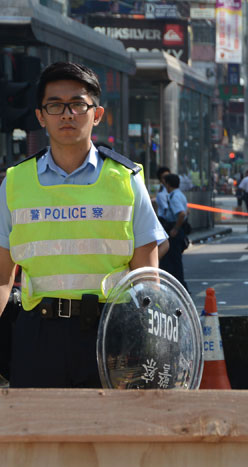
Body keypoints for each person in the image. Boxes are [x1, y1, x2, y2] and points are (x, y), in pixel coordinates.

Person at [0, 61, 166, 388]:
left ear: (97, 114)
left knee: (108, 437)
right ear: (40, 116)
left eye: (78, 104)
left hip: (111, 337)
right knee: (39, 437)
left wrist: (149, 345)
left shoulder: (125, 181)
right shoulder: (15, 184)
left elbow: (147, 279)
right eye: (55, 105)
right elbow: (2, 280)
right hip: (38, 337)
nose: (67, 114)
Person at [159, 173, 189, 291]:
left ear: (168, 184)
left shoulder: (174, 196)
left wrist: (175, 228)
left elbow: (182, 213)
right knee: (174, 260)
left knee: (172, 261)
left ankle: (177, 287)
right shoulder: (180, 195)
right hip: (177, 229)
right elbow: (187, 211)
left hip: (174, 230)